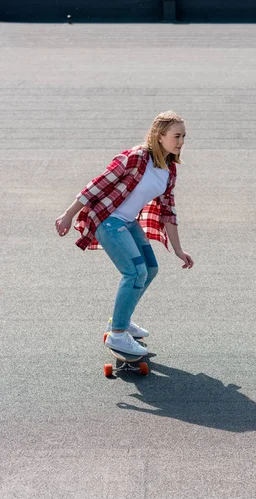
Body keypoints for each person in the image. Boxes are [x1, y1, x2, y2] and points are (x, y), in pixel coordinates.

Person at [55, 111, 194, 355]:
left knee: (150, 269)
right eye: (176, 136)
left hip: (127, 222)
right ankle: (118, 335)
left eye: (184, 136)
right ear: (160, 137)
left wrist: (179, 250)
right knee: (134, 272)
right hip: (108, 220)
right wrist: (69, 214)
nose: (181, 142)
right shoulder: (136, 157)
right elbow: (97, 183)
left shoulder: (169, 169)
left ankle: (120, 319)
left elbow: (168, 211)